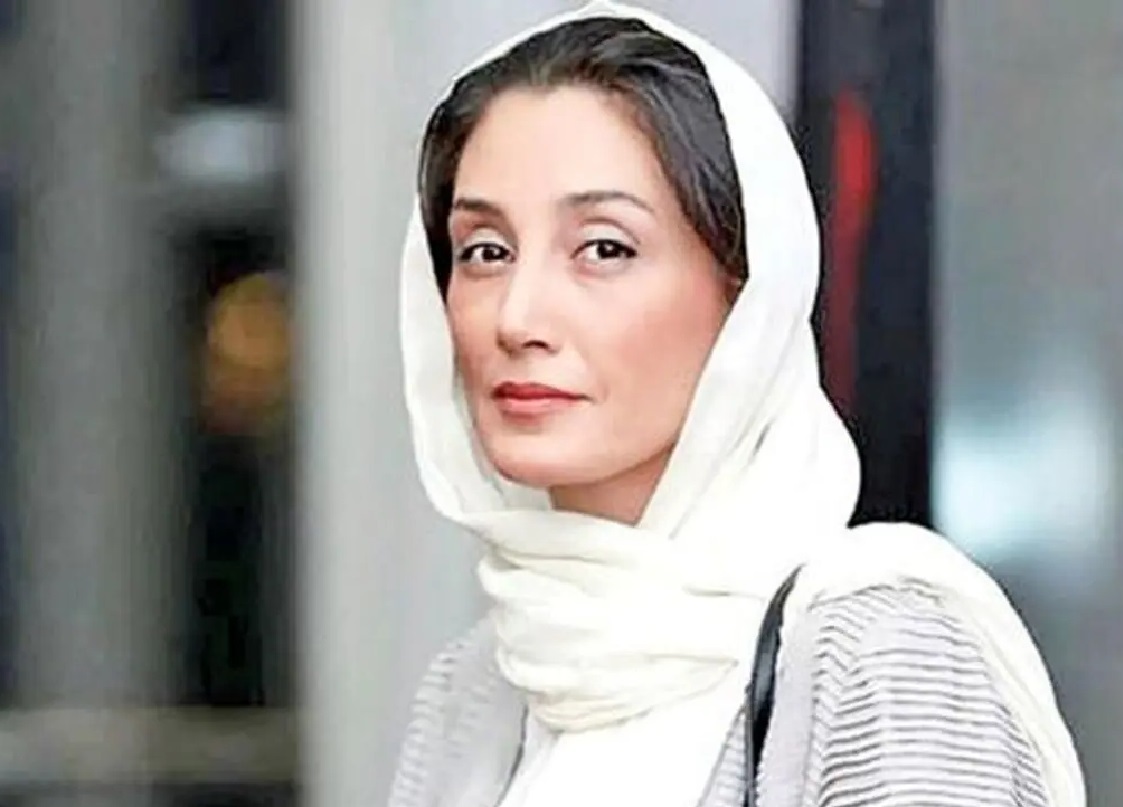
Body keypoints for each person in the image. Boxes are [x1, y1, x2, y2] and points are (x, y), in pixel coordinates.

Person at [392, 3, 1085, 807]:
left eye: (605, 248)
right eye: (485, 251)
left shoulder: (872, 653)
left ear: (748, 293)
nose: (517, 317)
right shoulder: (479, 684)